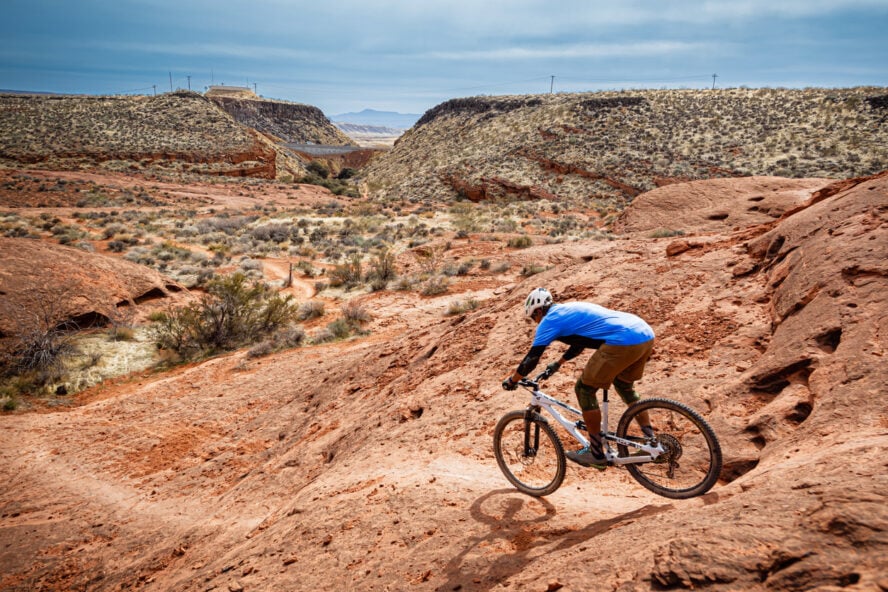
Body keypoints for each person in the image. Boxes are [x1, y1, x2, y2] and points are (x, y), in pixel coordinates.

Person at [502, 288, 656, 469]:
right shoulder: (569, 309)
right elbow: (578, 344)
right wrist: (558, 363)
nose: (535, 322)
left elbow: (532, 358)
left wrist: (513, 380)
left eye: (533, 318)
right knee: (624, 386)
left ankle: (596, 452)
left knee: (584, 389)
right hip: (644, 333)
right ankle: (652, 443)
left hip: (622, 340)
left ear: (538, 311)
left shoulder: (549, 320)